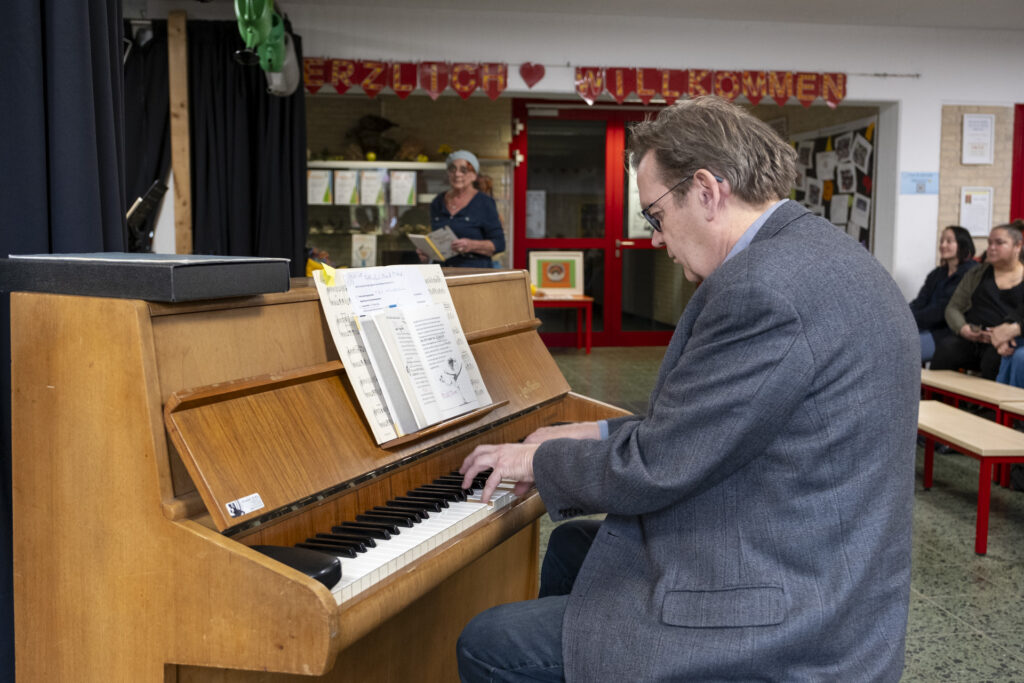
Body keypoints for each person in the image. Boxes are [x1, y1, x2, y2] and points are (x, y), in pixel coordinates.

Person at [456, 96, 919, 682]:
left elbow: (661, 465)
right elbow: (715, 421)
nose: (655, 238)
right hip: (819, 552)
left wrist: (542, 460)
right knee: (577, 545)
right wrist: (591, 429)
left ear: (706, 190)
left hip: (796, 613)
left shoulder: (763, 287)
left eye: (654, 216)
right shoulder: (820, 254)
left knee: (488, 642)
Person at [931, 221, 1024, 379]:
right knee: (946, 349)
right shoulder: (976, 274)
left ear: (1018, 246)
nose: (991, 248)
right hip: (973, 338)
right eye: (989, 243)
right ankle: (934, 399)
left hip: (1006, 342)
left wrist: (1007, 335)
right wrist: (963, 328)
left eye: (999, 243)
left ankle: (981, 404)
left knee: (995, 360)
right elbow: (953, 308)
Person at [424, 149, 505, 268]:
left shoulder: (485, 203)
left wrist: (471, 245)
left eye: (464, 170)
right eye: (452, 169)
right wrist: (428, 252)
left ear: (474, 175)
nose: (457, 174)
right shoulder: (437, 202)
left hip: (473, 275)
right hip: (441, 274)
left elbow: (499, 244)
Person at [909, 225, 977, 363]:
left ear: (962, 244)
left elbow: (941, 312)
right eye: (941, 241)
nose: (943, 245)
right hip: (923, 326)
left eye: (949, 241)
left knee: (903, 351)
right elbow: (920, 302)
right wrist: (902, 316)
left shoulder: (970, 273)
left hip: (946, 332)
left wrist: (911, 321)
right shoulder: (937, 273)